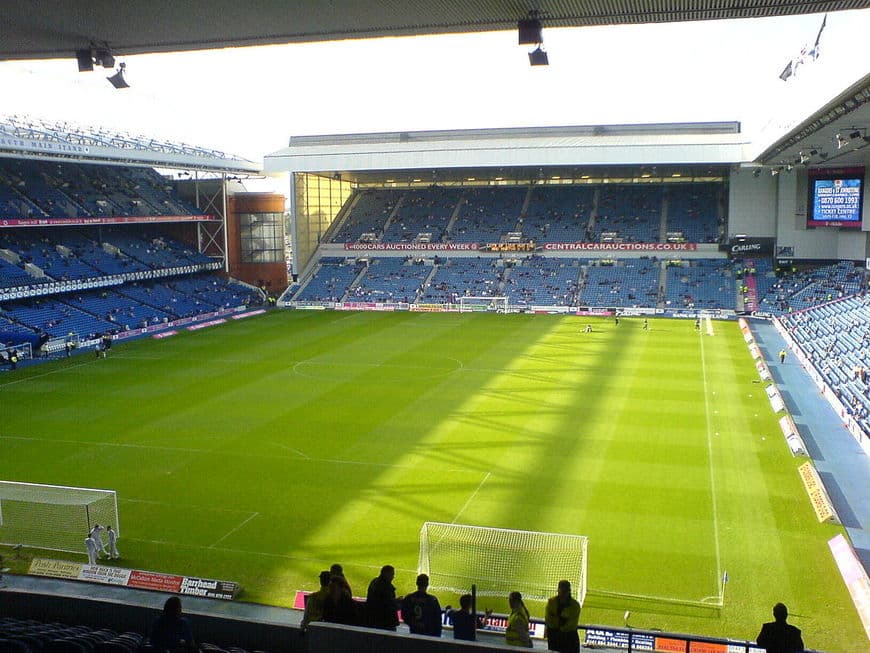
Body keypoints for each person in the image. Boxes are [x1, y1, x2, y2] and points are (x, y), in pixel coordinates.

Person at [400, 573, 442, 637]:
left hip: (414, 631)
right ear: (427, 584)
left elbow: (404, 615)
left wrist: (413, 624)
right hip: (428, 633)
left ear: (416, 583)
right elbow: (438, 619)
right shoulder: (433, 600)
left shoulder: (409, 598)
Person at [545, 580, 581, 653]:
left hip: (569, 637)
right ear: (558, 590)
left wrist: (557, 621)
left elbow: (570, 624)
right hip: (554, 636)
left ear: (569, 591)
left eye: (565, 591)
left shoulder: (575, 605)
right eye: (562, 591)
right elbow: (548, 620)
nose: (563, 594)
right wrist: (561, 621)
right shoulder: (551, 602)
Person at [365, 565, 399, 630]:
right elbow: (389, 606)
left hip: (372, 619)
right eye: (392, 574)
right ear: (386, 574)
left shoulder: (374, 581)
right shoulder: (387, 587)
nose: (393, 577)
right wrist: (398, 602)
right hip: (385, 622)